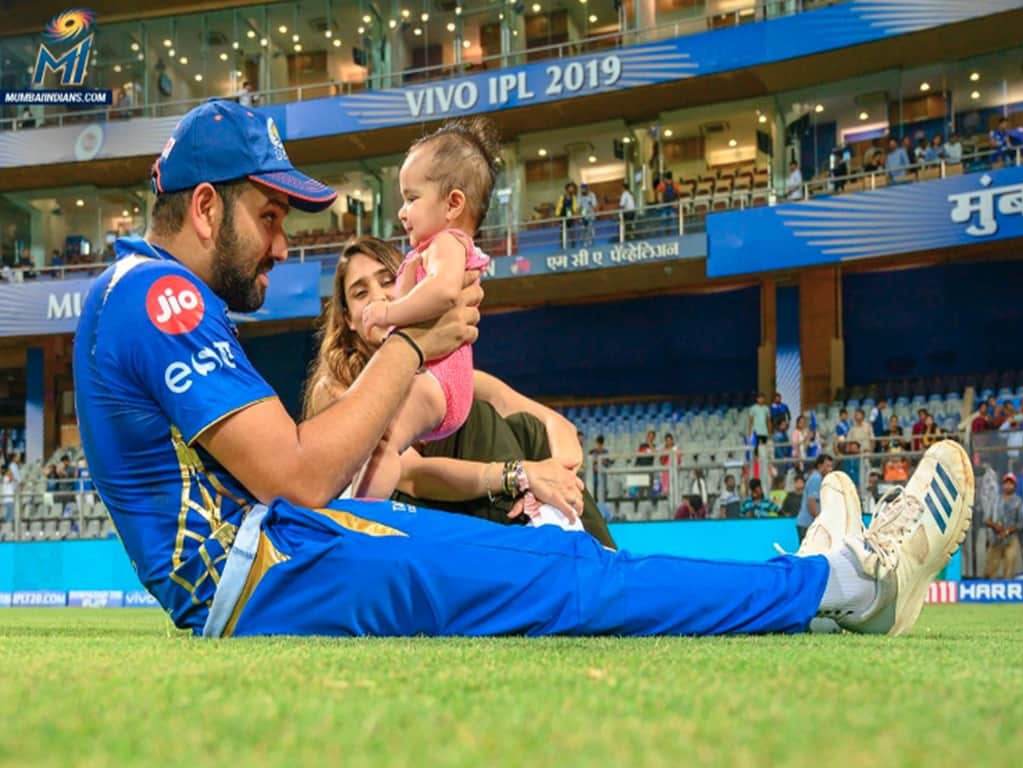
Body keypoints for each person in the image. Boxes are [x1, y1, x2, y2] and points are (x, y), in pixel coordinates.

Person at [72, 98, 972, 639]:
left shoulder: (137, 292)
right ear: (202, 208)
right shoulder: (163, 301)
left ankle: (812, 578)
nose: (279, 245)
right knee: (566, 579)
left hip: (282, 558)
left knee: (560, 563)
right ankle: (849, 586)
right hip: (273, 574)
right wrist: (410, 346)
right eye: (268, 217)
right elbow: (303, 473)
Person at [304, 236, 611, 544]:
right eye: (360, 293)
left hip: (456, 501)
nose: (378, 298)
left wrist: (558, 473)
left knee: (527, 428)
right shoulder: (334, 386)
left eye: (388, 281)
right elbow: (412, 477)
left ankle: (591, 550)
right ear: (348, 319)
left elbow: (556, 424)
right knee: (475, 416)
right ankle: (541, 541)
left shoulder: (441, 371)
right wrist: (521, 476)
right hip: (398, 512)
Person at [349, 121, 497, 502]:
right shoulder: (426, 252)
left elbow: (444, 292)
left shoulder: (448, 243)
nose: (402, 212)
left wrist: (388, 311)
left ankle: (357, 521)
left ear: (453, 204)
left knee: (380, 439)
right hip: (437, 379)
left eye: (412, 198)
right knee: (378, 437)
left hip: (441, 379)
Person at [984, 473, 1023, 579]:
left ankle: (1007, 590)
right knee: (990, 569)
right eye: (1006, 483)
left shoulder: (1018, 502)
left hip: (1010, 539)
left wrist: (1006, 532)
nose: (1008, 486)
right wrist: (995, 526)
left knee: (1009, 568)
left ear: (1015, 486)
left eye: (1011, 483)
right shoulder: (995, 500)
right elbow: (986, 519)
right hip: (995, 539)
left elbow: (1020, 524)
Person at [796, 454, 834, 544]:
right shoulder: (816, 479)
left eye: (831, 466)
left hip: (807, 524)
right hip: (807, 524)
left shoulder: (818, 478)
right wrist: (819, 521)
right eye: (827, 466)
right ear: (820, 466)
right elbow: (811, 502)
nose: (830, 469)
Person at [554, 181, 578, 246]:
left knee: (572, 230)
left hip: (570, 216)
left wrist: (575, 214)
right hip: (562, 216)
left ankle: (573, 243)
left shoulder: (574, 198)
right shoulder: (562, 197)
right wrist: (557, 215)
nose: (572, 190)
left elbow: (575, 207)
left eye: (573, 189)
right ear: (567, 189)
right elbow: (559, 206)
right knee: (562, 231)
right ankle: (562, 244)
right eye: (570, 188)